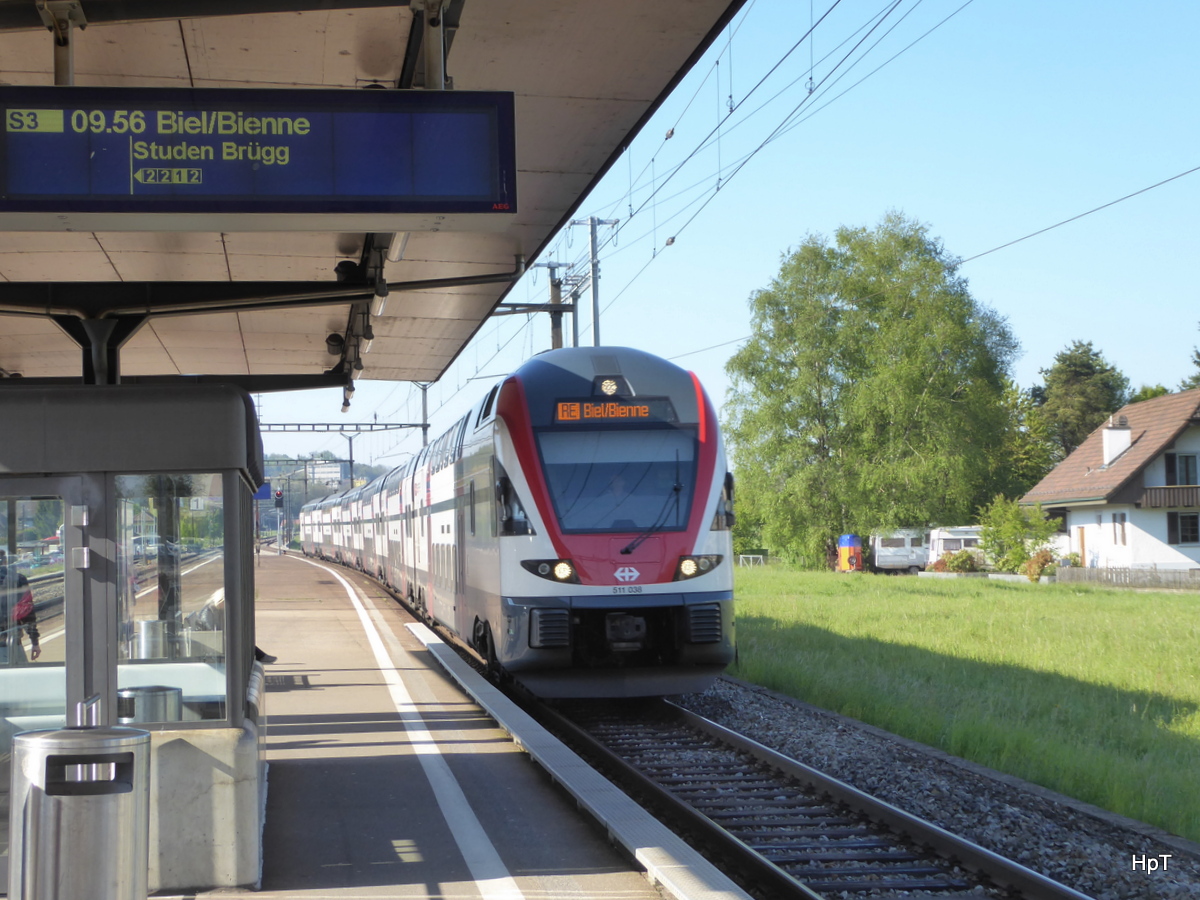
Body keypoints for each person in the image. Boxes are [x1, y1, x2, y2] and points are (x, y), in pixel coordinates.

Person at [1, 550, 40, 665]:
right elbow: (27, 613)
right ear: (5, 561)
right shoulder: (17, 579)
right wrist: (34, 641)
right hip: (10, 642)